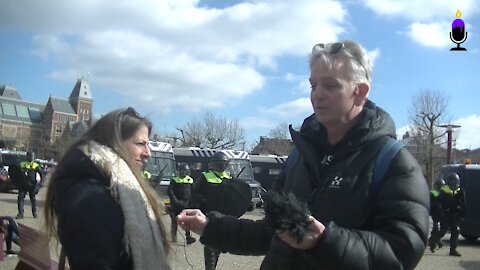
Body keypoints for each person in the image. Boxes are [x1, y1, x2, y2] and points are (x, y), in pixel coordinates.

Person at [177, 40, 429, 270]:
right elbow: (270, 232)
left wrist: (323, 241)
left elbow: (400, 254)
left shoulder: (393, 163)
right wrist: (210, 226)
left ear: (360, 92)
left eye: (330, 85)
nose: (316, 94)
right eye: (313, 85)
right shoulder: (299, 156)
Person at [44, 107, 171, 270]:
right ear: (114, 143)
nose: (148, 153)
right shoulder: (92, 196)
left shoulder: (110, 186)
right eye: (140, 144)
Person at [189, 151, 251, 270]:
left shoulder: (229, 178)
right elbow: (194, 192)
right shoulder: (205, 176)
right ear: (213, 164)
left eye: (223, 164)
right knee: (210, 243)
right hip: (209, 215)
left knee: (218, 244)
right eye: (219, 163)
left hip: (223, 216)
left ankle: (213, 267)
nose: (221, 166)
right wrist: (203, 201)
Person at [429, 172, 465, 256]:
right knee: (442, 231)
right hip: (445, 214)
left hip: (455, 215)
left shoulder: (460, 192)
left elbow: (463, 205)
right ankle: (433, 242)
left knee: (456, 230)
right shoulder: (443, 191)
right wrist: (441, 211)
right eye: (452, 181)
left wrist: (461, 214)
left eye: (455, 182)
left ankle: (453, 250)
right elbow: (438, 203)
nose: (453, 184)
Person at [167, 162, 196, 245]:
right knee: (174, 220)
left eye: (184, 171)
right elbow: (170, 191)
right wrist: (175, 200)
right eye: (181, 171)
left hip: (186, 204)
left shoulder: (190, 180)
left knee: (187, 221)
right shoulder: (174, 180)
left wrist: (190, 201)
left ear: (187, 172)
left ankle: (188, 237)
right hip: (175, 204)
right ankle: (173, 236)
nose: (182, 172)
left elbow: (193, 192)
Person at [16, 151, 44, 219]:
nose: (31, 157)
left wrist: (40, 184)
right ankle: (20, 213)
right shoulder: (22, 164)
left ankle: (34, 213)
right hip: (23, 184)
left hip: (32, 185)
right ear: (27, 156)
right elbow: (16, 173)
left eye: (32, 156)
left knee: (33, 199)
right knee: (20, 198)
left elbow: (42, 174)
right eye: (29, 156)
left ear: (34, 157)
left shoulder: (35, 165)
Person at [428, 178, 446, 252]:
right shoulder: (433, 193)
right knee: (436, 229)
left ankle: (438, 241)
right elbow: (431, 204)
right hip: (435, 214)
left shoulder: (443, 194)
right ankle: (432, 245)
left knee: (442, 230)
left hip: (442, 214)